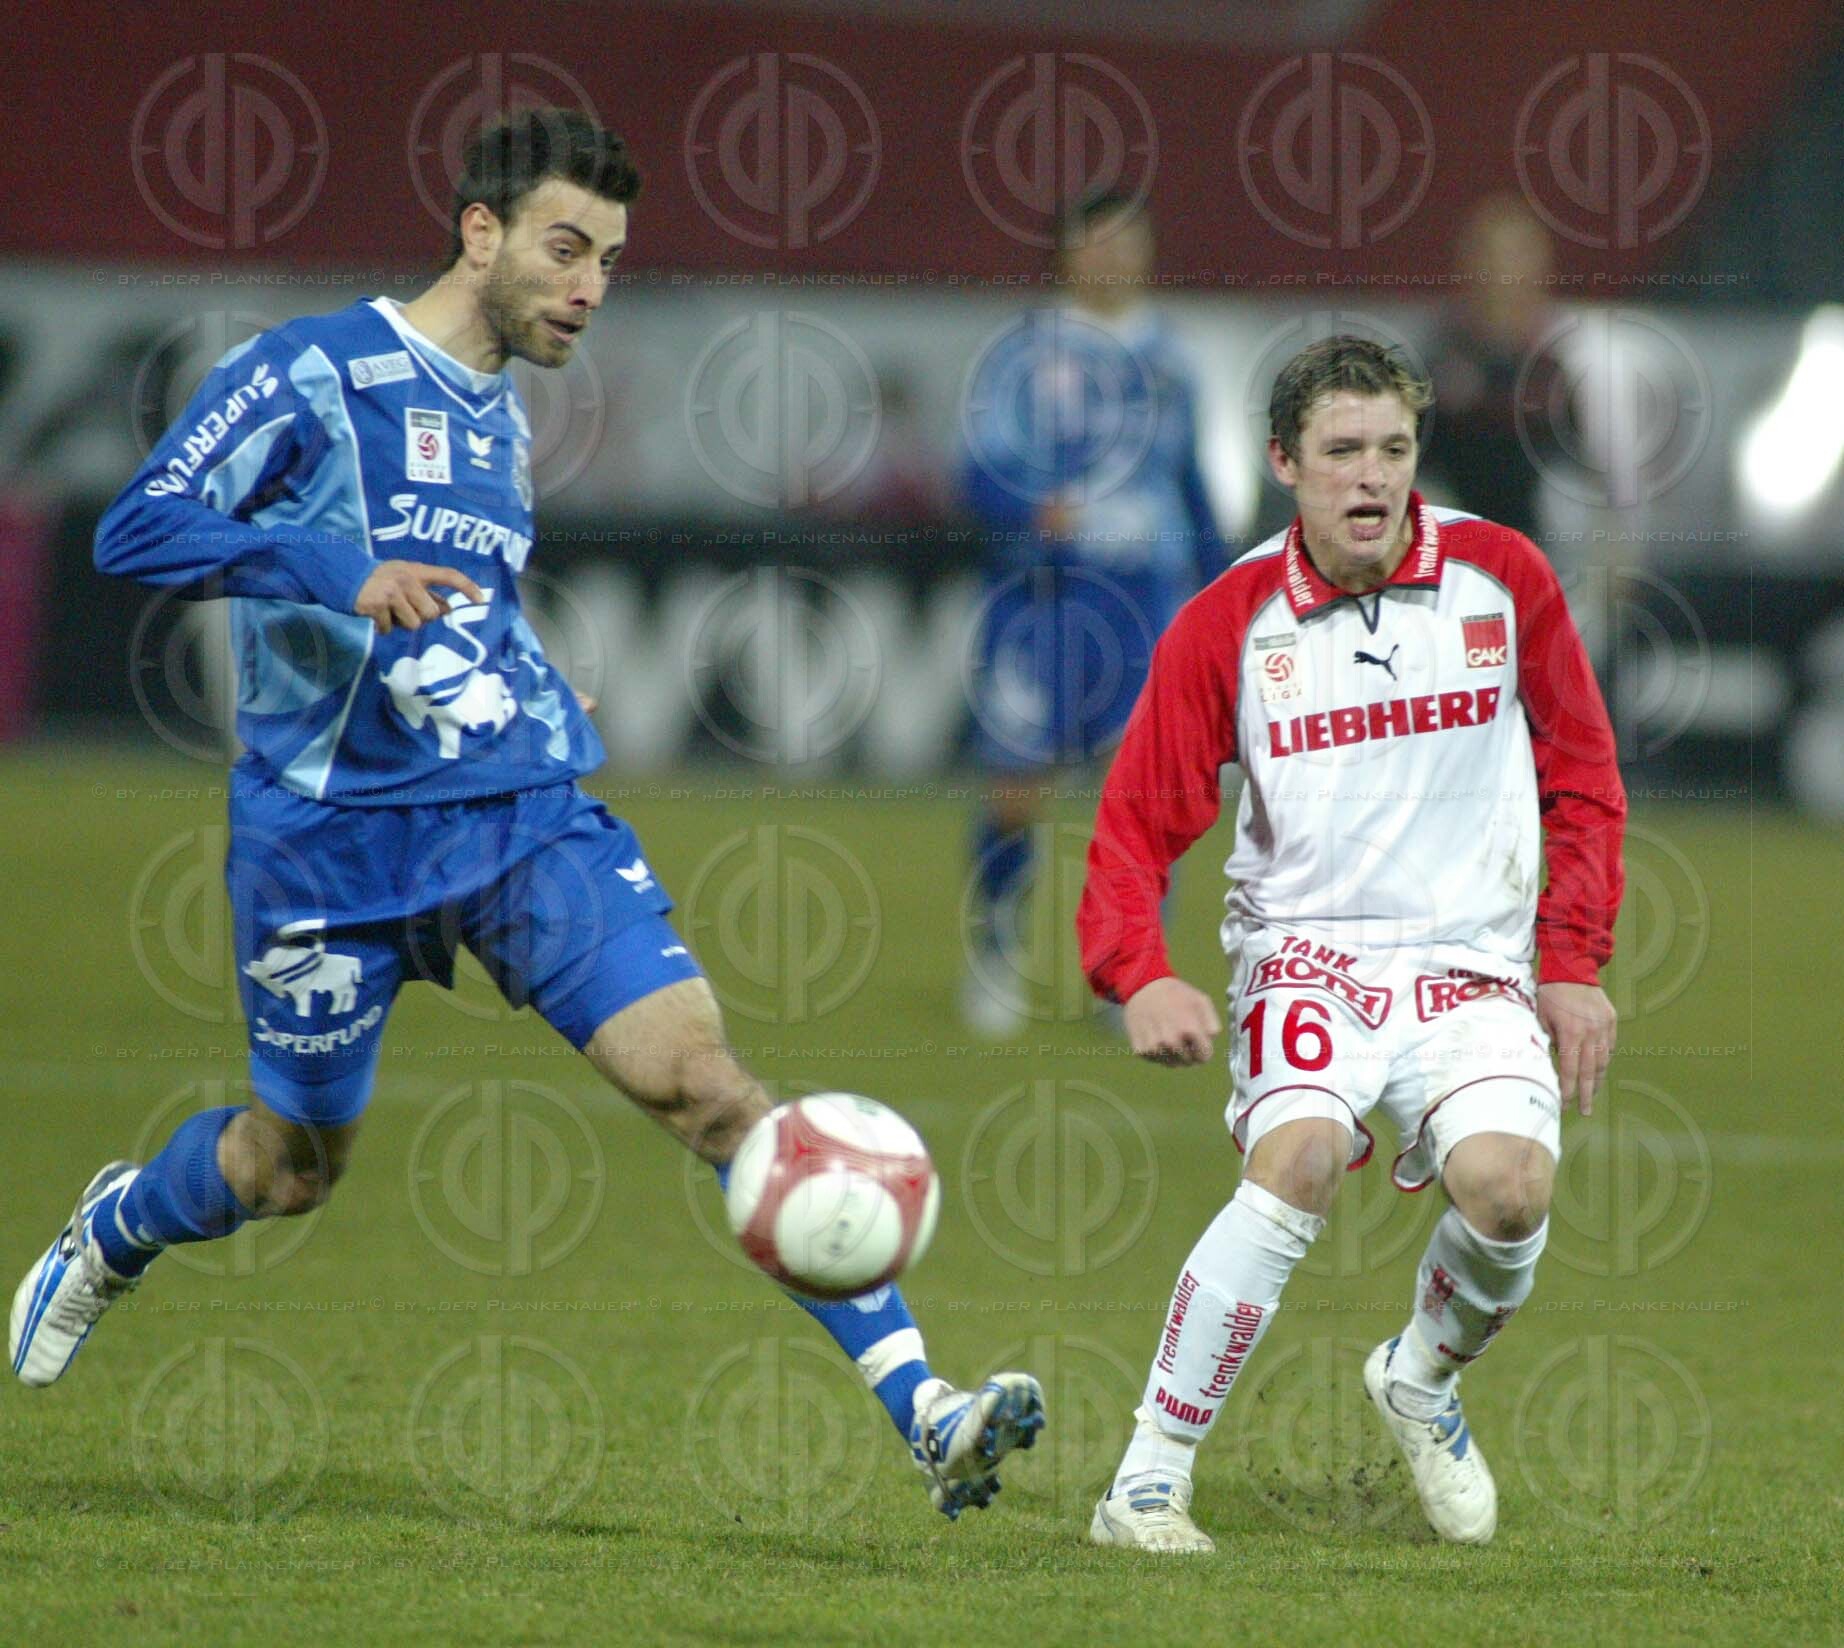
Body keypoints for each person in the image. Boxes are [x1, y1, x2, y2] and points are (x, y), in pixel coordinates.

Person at [9, 108, 1043, 1520]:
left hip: (517, 821)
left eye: (610, 261)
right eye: (567, 248)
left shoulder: (499, 414)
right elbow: (137, 526)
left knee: (708, 1088)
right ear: (479, 231)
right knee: (292, 1168)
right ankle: (124, 1222)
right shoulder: (315, 369)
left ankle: (925, 1407)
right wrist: (327, 567)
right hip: (326, 846)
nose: (591, 286)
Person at [1076, 335, 1624, 1552]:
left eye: (1391, 448)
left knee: (1510, 1191)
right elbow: (1133, 820)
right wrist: (1139, 969)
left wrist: (1571, 961)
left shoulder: (1502, 576)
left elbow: (1581, 777)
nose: (1370, 477)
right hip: (1306, 951)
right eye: (1340, 452)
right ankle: (1145, 1481)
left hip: (1471, 963)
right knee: (1302, 1154)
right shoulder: (1228, 620)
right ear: (1283, 462)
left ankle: (1420, 1377)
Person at [958, 189, 1227, 1036]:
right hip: (1043, 601)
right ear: (1068, 254)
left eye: (1126, 239)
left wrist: (1224, 596)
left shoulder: (1173, 361)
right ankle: (997, 953)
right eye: (1095, 240)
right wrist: (1028, 511)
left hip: (1145, 601)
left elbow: (1194, 490)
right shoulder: (1021, 354)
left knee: (1145, 789)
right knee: (1014, 785)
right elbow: (975, 472)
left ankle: (1132, 974)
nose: (1111, 255)